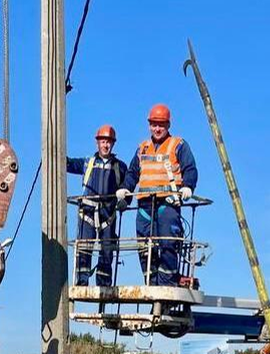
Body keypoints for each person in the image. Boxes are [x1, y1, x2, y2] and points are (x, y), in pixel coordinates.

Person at [117, 104, 198, 286]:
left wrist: (188, 187)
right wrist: (125, 191)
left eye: (161, 124)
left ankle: (166, 285)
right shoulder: (142, 148)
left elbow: (190, 168)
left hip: (167, 203)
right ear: (149, 125)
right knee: (145, 248)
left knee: (168, 244)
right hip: (145, 205)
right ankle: (152, 284)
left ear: (168, 125)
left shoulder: (178, 145)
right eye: (154, 124)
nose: (157, 128)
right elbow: (132, 173)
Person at [67, 125, 127, 286]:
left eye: (108, 142)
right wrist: (53, 153)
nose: (105, 145)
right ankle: (81, 281)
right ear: (97, 143)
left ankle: (104, 283)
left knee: (107, 249)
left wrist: (124, 202)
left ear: (113, 144)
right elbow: (67, 164)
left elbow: (128, 186)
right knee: (84, 247)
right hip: (87, 211)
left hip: (108, 213)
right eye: (103, 141)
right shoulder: (87, 163)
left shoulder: (120, 167)